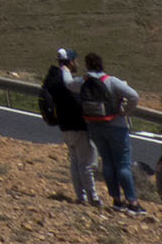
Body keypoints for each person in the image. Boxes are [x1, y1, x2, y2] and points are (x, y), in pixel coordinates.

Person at [78, 52, 145, 213]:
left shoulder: (83, 82)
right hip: (116, 125)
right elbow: (134, 96)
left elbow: (68, 83)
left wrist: (64, 67)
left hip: (94, 125)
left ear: (87, 66)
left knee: (107, 163)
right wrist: (125, 112)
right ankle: (133, 202)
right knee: (123, 165)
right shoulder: (112, 81)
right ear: (102, 65)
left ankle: (116, 200)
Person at [40, 48, 99, 206]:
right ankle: (93, 197)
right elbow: (78, 103)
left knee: (75, 162)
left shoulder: (51, 80)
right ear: (71, 61)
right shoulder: (67, 83)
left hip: (64, 126)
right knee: (86, 163)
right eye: (75, 61)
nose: (77, 64)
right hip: (77, 125)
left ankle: (81, 196)